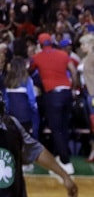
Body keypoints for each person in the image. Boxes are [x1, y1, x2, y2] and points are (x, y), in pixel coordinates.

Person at [29, 32, 79, 174]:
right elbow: (74, 72)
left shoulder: (37, 57)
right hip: (67, 93)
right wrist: (73, 89)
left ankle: (66, 162)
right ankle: (60, 157)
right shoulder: (63, 54)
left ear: (39, 44)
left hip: (52, 95)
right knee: (64, 127)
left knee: (56, 129)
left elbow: (29, 70)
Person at [76, 33, 94, 162]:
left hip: (92, 93)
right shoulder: (85, 58)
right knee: (91, 125)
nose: (81, 47)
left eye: (83, 44)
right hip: (86, 93)